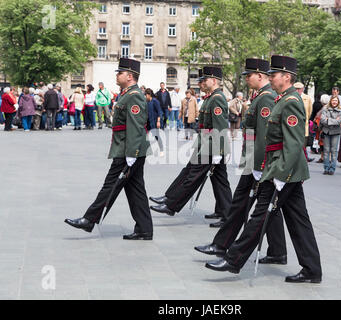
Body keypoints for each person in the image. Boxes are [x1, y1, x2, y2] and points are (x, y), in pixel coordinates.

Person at [205, 55, 322, 284]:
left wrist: (281, 175)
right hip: (281, 168)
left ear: (286, 77)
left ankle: (234, 259)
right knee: (299, 220)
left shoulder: (290, 102)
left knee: (260, 215)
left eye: (274, 74)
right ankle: (312, 269)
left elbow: (294, 143)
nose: (270, 78)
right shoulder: (282, 99)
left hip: (283, 170)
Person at [194, 58, 287, 264]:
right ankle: (277, 251)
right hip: (254, 160)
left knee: (243, 205)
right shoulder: (260, 97)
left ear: (259, 76)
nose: (246, 79)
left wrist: (259, 166)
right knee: (262, 206)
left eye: (249, 75)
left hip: (258, 163)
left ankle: (222, 245)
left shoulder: (266, 99)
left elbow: (264, 136)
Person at [65, 57, 153, 240]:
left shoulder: (134, 95)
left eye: (120, 73)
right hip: (126, 147)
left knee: (111, 185)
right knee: (136, 190)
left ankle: (89, 219)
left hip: (127, 150)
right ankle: (144, 229)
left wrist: (132, 153)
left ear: (129, 76)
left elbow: (136, 126)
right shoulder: (127, 94)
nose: (117, 75)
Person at [149, 66, 232, 228]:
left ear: (214, 80)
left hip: (212, 146)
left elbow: (220, 127)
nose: (201, 83)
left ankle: (172, 205)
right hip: (206, 143)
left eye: (204, 80)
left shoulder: (218, 98)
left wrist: (218, 151)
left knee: (193, 176)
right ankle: (225, 212)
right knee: (219, 180)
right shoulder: (211, 97)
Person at [320, 96, 341, 175]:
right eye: (333, 100)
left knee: (334, 151)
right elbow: (322, 120)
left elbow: (339, 121)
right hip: (326, 131)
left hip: (335, 132)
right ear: (330, 101)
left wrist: (328, 120)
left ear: (338, 102)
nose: (334, 102)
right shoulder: (325, 108)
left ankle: (332, 169)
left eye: (336, 101)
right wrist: (334, 120)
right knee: (326, 150)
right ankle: (326, 168)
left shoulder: (340, 109)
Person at [294, 82, 314, 162]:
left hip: (303, 126)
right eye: (296, 89)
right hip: (293, 125)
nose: (298, 90)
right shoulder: (290, 97)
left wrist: (305, 121)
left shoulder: (307, 98)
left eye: (299, 89)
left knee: (302, 146)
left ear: (302, 89)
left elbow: (309, 112)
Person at [145, 88, 164, 156]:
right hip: (148, 121)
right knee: (146, 136)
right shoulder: (146, 102)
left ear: (149, 94)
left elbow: (159, 112)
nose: (145, 96)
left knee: (157, 136)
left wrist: (158, 121)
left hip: (155, 121)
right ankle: (148, 150)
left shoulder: (155, 101)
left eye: (146, 95)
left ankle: (161, 150)